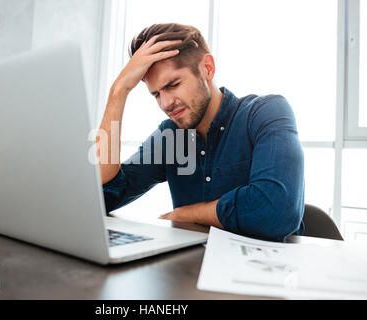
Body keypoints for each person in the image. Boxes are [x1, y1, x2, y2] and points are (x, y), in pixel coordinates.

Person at [96, 23, 304, 242]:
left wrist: (185, 214)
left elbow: (277, 211)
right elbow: (101, 197)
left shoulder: (265, 113)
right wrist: (118, 92)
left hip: (267, 270)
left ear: (208, 68)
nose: (166, 103)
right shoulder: (171, 137)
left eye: (173, 84)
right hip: (191, 270)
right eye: (156, 94)